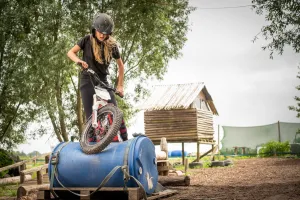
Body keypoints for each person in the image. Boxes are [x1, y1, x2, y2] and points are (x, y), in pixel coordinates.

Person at [67, 13, 128, 142]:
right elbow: (70, 52)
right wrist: (79, 61)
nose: (102, 35)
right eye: (100, 32)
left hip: (102, 81)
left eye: (105, 33)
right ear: (94, 29)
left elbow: (121, 66)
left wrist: (120, 85)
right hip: (87, 80)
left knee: (116, 111)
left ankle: (126, 141)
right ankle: (92, 145)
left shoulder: (112, 46)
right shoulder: (86, 40)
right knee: (90, 117)